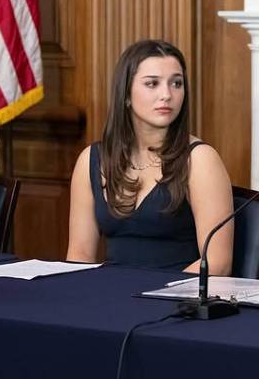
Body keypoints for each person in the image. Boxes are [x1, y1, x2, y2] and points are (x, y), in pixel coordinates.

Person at [67, 40, 233, 273]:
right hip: (110, 290)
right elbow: (79, 255)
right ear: (126, 94)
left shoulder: (201, 159)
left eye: (176, 83)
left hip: (176, 291)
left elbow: (217, 264)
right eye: (152, 83)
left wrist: (156, 292)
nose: (167, 94)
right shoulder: (92, 159)